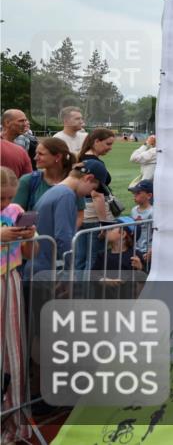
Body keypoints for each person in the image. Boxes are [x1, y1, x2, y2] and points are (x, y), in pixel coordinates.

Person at [22, 159, 107, 281]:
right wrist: (70, 271)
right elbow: (63, 236)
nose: (90, 193)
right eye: (94, 187)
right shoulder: (66, 195)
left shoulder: (56, 191)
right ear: (88, 178)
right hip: (48, 269)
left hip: (38, 266)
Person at [1, 166, 37, 443]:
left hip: (9, 280)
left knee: (12, 348)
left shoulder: (14, 210)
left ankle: (13, 416)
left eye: (8, 198)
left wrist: (27, 237)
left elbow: (31, 252)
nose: (4, 204)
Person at [76, 129, 117, 272]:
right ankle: (87, 293)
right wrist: (104, 224)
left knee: (79, 259)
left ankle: (76, 291)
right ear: (96, 141)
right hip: (94, 215)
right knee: (94, 260)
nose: (110, 148)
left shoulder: (79, 158)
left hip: (81, 214)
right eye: (108, 144)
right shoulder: (95, 163)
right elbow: (96, 194)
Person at [13, 137, 83, 216]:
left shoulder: (73, 182)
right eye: (36, 153)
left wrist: (66, 228)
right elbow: (14, 214)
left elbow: (79, 215)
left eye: (41, 154)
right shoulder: (28, 180)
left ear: (57, 157)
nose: (35, 158)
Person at [128, 179, 154, 268]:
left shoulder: (152, 212)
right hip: (135, 249)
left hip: (147, 251)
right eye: (134, 193)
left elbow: (155, 234)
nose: (134, 195)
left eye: (138, 193)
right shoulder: (133, 210)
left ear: (149, 195)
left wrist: (151, 251)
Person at [1, 110, 32, 179]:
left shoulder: (25, 141)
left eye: (25, 121)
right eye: (21, 121)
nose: (25, 124)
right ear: (7, 123)